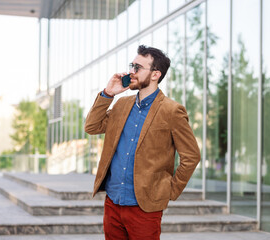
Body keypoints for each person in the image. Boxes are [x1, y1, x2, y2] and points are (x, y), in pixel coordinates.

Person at [85, 45, 200, 240]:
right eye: (131, 66)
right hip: (113, 202)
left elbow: (191, 156)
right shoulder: (121, 104)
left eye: (137, 67)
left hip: (145, 207)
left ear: (155, 74)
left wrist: (169, 190)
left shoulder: (172, 111)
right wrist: (108, 93)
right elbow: (92, 127)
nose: (131, 71)